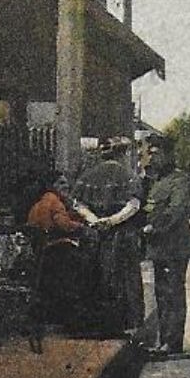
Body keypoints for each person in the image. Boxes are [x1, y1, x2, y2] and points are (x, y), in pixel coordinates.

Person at [72, 138, 145, 337]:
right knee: (122, 276)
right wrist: (112, 221)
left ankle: (94, 325)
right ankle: (123, 325)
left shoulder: (88, 175)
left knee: (94, 273)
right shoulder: (129, 175)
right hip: (120, 234)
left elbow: (78, 204)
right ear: (122, 154)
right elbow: (134, 205)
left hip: (94, 233)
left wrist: (95, 220)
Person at [141, 137, 190, 358]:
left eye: (157, 153)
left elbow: (177, 210)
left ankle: (172, 342)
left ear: (169, 155)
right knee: (161, 293)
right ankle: (163, 340)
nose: (153, 157)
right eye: (150, 153)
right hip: (158, 246)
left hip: (174, 246)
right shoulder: (154, 181)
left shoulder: (179, 180)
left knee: (173, 293)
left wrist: (154, 226)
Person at [26, 173, 93, 331]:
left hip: (41, 253)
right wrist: (82, 227)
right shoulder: (55, 202)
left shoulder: (38, 204)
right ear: (53, 185)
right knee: (85, 265)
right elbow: (62, 224)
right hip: (56, 252)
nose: (66, 186)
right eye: (62, 183)